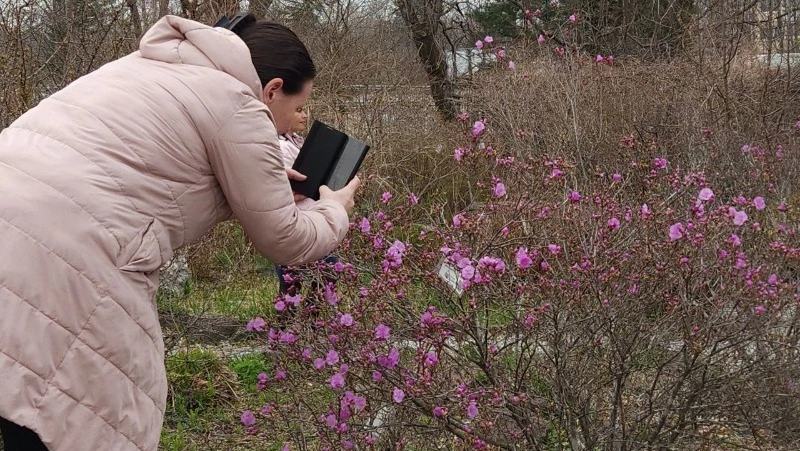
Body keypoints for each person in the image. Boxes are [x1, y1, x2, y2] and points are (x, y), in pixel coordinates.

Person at [0, 12, 359, 451]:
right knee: (81, 402)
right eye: (298, 108)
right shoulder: (239, 104)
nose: (295, 122)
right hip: (74, 251)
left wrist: (259, 178)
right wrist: (333, 209)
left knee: (20, 376)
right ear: (272, 89)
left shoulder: (144, 65)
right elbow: (285, 240)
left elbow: (137, 160)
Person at [274, 108, 339, 304]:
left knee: (325, 274)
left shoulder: (298, 141)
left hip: (314, 216)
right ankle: (289, 329)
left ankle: (313, 324)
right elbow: (280, 190)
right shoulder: (277, 146)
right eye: (298, 111)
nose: (304, 116)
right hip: (297, 220)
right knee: (292, 282)